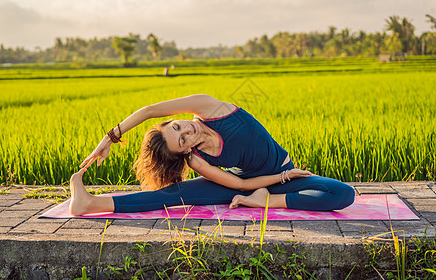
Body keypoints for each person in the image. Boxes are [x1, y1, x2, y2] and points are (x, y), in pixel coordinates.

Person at [70, 94, 355, 216]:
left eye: (179, 126)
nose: (188, 132)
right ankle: (90, 203)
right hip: (250, 183)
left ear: (175, 119)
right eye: (182, 141)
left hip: (281, 177)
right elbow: (242, 185)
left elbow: (148, 112)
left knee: (343, 194)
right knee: (173, 195)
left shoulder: (209, 108)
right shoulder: (197, 159)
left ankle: (266, 202)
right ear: (184, 152)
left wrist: (109, 138)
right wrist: (262, 187)